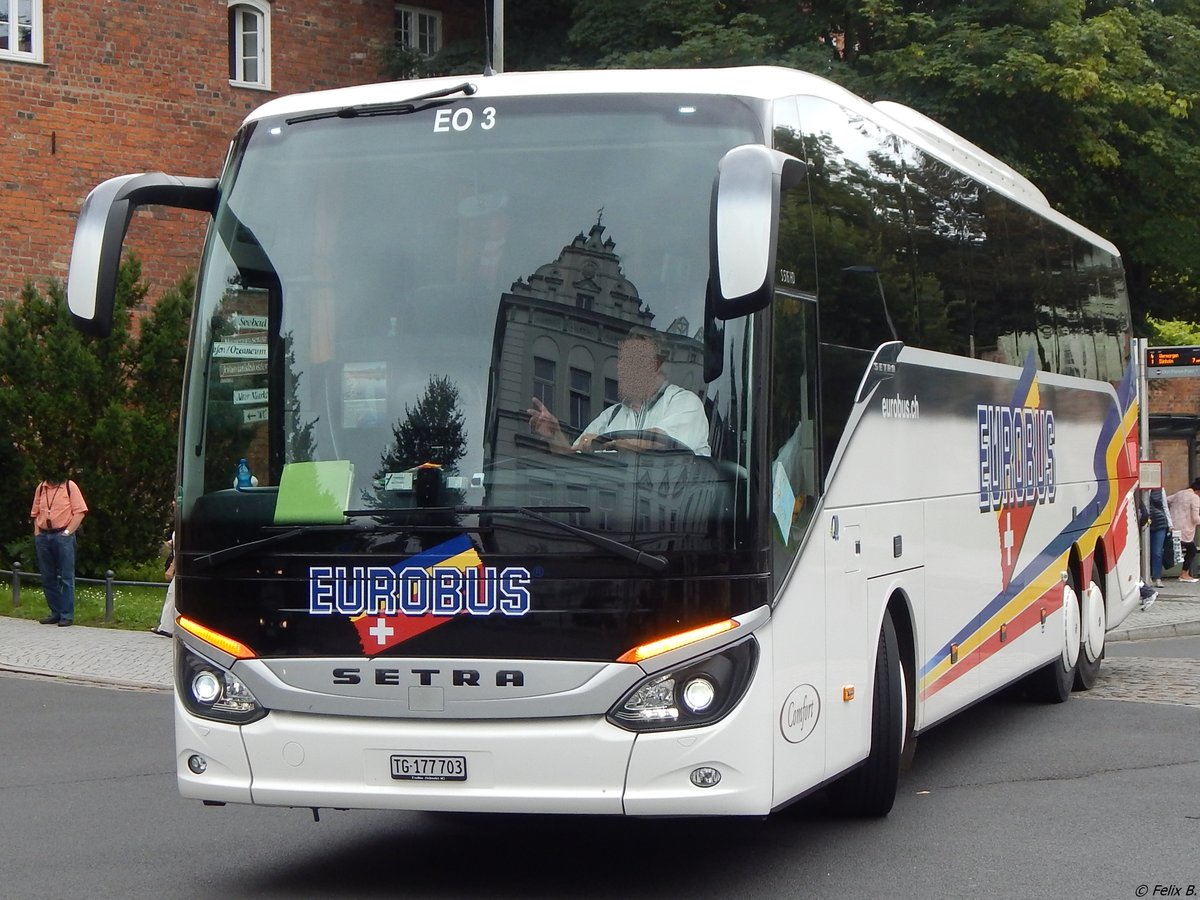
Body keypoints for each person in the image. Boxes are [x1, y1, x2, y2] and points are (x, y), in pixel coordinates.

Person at [527, 330, 711, 456]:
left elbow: (661, 443)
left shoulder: (684, 402)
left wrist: (601, 442)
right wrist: (555, 434)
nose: (621, 368)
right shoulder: (611, 415)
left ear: (655, 365)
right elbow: (573, 458)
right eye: (622, 361)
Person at [29, 471, 89, 627]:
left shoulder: (69, 486)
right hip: (43, 536)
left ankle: (67, 615)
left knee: (66, 577)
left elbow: (80, 512)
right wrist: (37, 533)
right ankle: (55, 612)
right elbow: (35, 513)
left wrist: (68, 532)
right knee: (48, 576)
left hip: (63, 536)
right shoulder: (41, 488)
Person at [1167, 478, 1200, 582]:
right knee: (1192, 550)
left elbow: (1166, 499)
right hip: (1185, 530)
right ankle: (1184, 573)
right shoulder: (1195, 498)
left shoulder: (1180, 493)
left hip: (1172, 527)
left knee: (1171, 549)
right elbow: (1195, 518)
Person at [1146, 485, 1171, 588]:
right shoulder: (1139, 488)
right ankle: (1147, 576)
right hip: (1145, 522)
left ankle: (1157, 577)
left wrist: (1170, 524)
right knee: (1147, 552)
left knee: (1157, 551)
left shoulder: (1160, 489)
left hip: (1160, 522)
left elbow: (1165, 506)